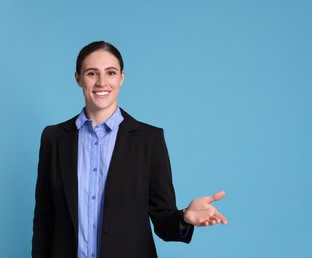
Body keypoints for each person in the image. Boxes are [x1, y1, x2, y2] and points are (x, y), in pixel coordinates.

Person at [32, 41, 227, 258]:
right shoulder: (54, 138)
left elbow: (163, 220)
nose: (101, 82)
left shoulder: (149, 140)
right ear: (78, 78)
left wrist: (184, 217)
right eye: (91, 73)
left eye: (111, 72)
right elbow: (44, 219)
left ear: (122, 77)